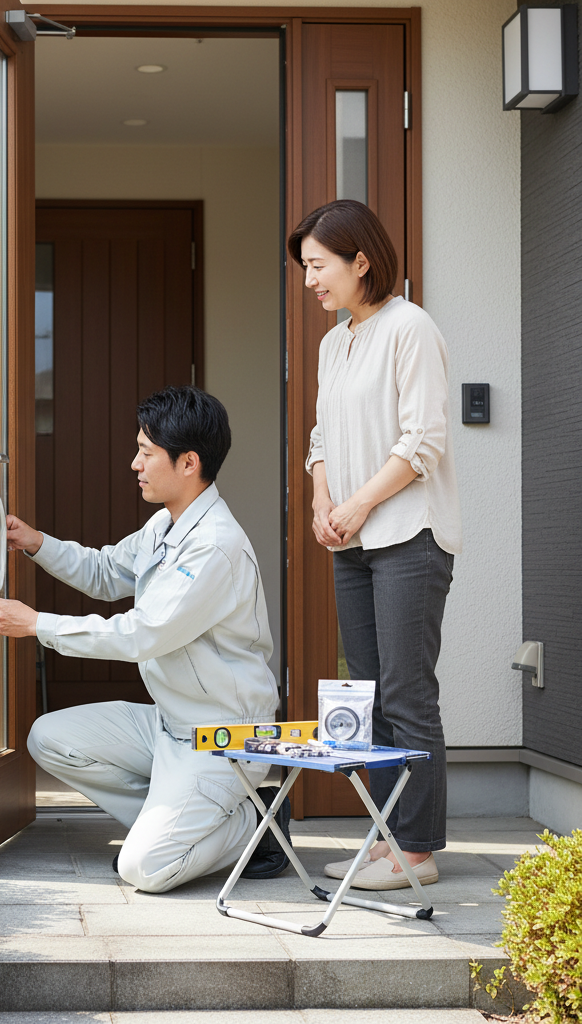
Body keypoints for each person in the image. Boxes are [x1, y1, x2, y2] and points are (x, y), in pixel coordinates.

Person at [0, 385, 287, 894]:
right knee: (48, 738)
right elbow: (105, 571)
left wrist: (38, 624)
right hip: (169, 725)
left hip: (222, 740)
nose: (134, 463)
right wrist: (35, 543)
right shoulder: (166, 523)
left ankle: (255, 827)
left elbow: (142, 634)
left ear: (189, 463)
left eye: (147, 452)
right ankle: (183, 817)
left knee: (145, 869)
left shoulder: (214, 546)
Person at [289, 199, 461, 891]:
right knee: (369, 694)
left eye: (319, 266)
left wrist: (356, 504)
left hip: (408, 534)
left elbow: (423, 441)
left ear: (362, 260)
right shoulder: (337, 342)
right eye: (304, 269)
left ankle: (418, 852)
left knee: (406, 692)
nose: (310, 282)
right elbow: (323, 437)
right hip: (354, 539)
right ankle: (390, 840)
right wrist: (320, 500)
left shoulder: (410, 328)